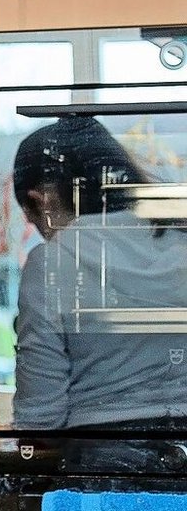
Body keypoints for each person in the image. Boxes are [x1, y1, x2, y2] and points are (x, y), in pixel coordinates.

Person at [11, 116, 187, 432]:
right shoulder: (180, 237)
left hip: (99, 461)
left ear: (41, 201)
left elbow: (39, 417)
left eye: (32, 220)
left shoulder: (50, 261)